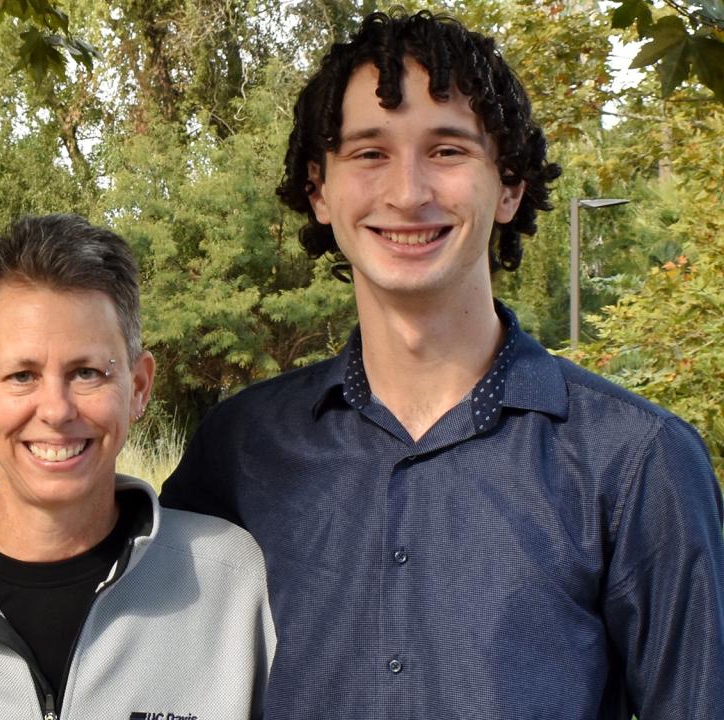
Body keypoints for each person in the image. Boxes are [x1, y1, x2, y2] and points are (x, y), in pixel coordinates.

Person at [161, 10, 724, 719]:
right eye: (369, 153)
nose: (408, 192)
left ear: (510, 186)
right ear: (319, 190)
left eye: (448, 151)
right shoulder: (239, 450)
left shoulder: (639, 461)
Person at [0, 214, 273, 719]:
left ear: (139, 387)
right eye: (22, 375)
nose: (56, 410)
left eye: (86, 373)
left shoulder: (235, 584)